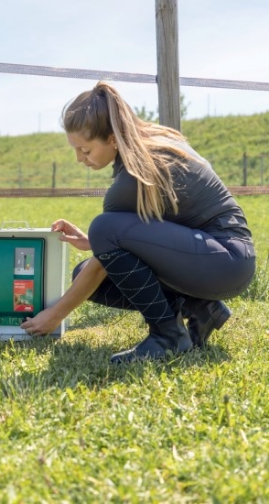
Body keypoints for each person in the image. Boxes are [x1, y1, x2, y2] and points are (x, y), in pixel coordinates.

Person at [21, 81, 256, 363]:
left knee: (101, 237)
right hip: (221, 258)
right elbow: (151, 234)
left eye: (85, 151)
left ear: (111, 138)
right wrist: (92, 242)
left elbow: (104, 257)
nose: (79, 159)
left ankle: (167, 336)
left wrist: (55, 314)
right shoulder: (149, 146)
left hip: (225, 259)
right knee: (91, 258)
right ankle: (202, 309)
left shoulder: (135, 173)